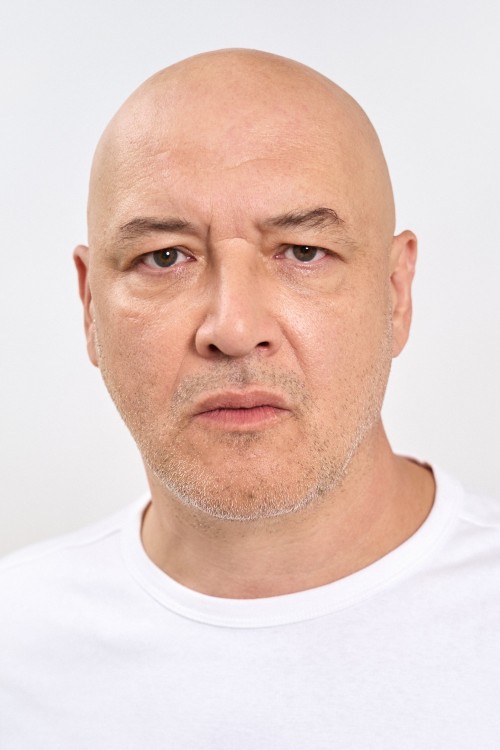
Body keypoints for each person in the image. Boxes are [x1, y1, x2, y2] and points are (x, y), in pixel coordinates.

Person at [1, 49, 499, 749]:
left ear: (395, 292)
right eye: (164, 257)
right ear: (90, 307)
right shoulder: (15, 645)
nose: (234, 330)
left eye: (302, 252)